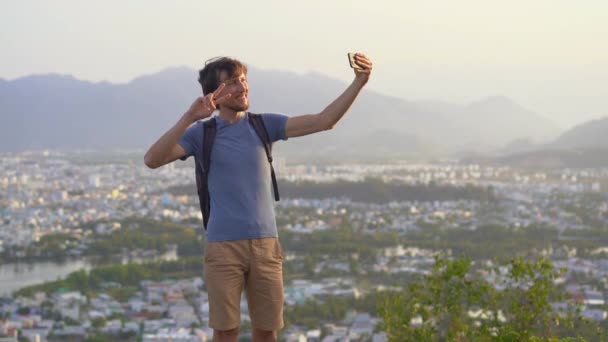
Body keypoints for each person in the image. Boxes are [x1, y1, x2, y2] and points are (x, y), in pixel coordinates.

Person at [144, 53, 372, 342]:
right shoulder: (201, 133)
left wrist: (359, 82)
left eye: (242, 80)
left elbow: (324, 121)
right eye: (231, 83)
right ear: (214, 95)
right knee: (226, 332)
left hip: (266, 246)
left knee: (266, 331)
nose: (242, 87)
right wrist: (189, 116)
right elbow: (152, 159)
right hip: (223, 247)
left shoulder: (264, 125)